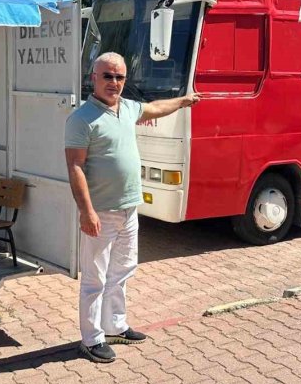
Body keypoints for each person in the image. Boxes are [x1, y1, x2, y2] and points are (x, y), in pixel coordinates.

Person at [64, 52, 200, 363]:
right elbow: (75, 168)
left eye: (119, 77)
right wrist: (86, 212)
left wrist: (183, 101)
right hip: (101, 211)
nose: (114, 82)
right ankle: (92, 339)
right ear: (93, 79)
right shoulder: (81, 119)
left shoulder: (127, 108)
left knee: (122, 270)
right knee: (94, 278)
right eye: (107, 76)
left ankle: (115, 325)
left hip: (129, 209)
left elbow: (154, 107)